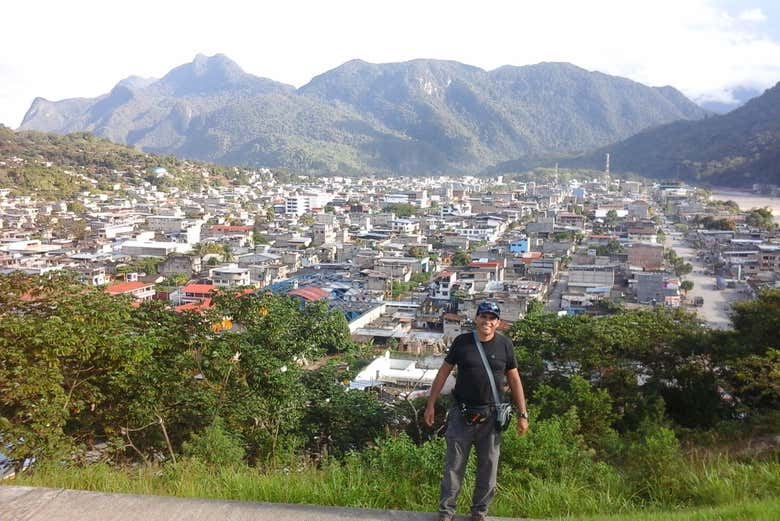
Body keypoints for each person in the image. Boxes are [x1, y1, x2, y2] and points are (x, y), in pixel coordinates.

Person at [424, 301, 529, 521]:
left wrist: (523, 414)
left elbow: (514, 379)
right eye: (484, 317)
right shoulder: (462, 342)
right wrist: (430, 404)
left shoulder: (505, 345)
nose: (487, 322)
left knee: (488, 468)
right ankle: (446, 512)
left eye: (492, 318)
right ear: (476, 318)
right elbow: (443, 373)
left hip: (491, 417)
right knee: (453, 466)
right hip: (461, 414)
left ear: (498, 323)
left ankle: (479, 512)